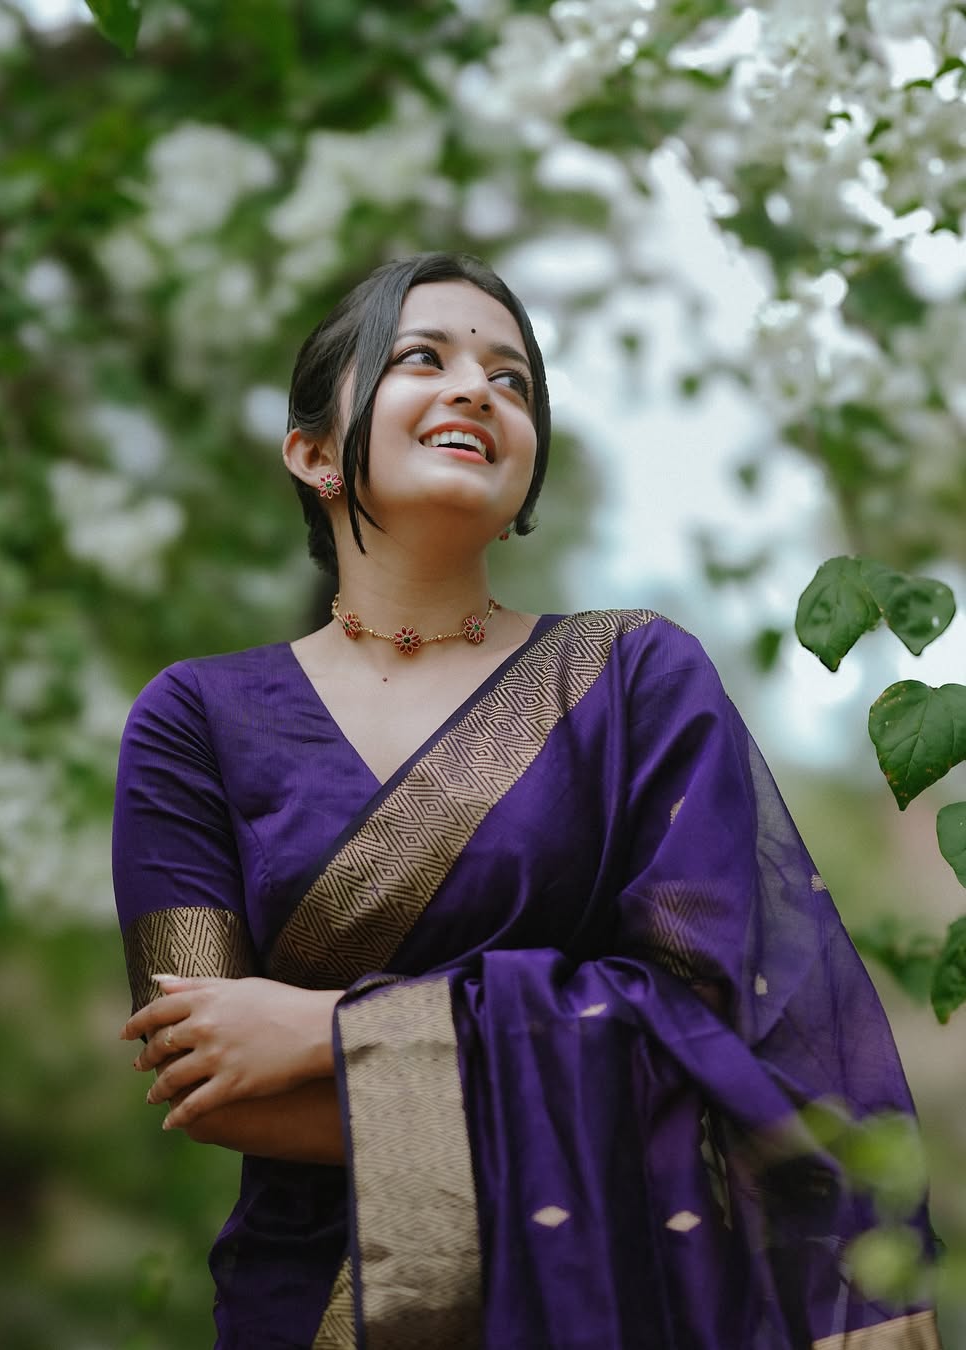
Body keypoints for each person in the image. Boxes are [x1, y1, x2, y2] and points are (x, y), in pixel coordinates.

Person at [113, 252, 941, 1349]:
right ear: (312, 453)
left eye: (513, 380)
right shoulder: (194, 721)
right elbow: (214, 1083)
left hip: (622, 1306)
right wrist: (525, 1088)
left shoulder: (633, 680)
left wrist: (336, 1031)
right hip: (312, 1302)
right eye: (423, 358)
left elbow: (728, 1042)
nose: (477, 389)